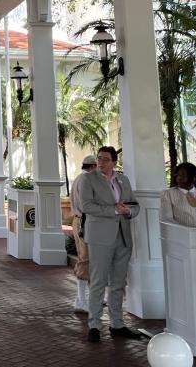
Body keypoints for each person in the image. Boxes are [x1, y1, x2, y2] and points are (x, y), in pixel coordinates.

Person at [79, 145, 143, 343]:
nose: (100, 162)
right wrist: (114, 210)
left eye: (105, 159)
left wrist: (129, 211)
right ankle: (95, 326)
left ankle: (117, 324)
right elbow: (86, 206)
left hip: (123, 237)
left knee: (118, 282)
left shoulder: (123, 179)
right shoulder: (87, 179)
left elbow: (134, 204)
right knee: (98, 281)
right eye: (99, 158)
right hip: (100, 237)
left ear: (114, 162)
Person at [70, 154, 98, 313]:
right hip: (84, 223)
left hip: (81, 221)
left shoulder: (79, 179)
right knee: (85, 259)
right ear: (93, 166)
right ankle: (81, 300)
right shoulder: (86, 181)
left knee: (88, 259)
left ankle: (86, 298)